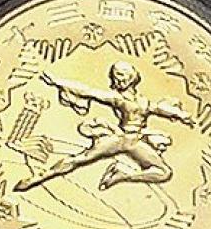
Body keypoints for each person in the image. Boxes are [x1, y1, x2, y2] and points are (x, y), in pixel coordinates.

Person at [13, 60, 193, 193]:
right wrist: (58, 82)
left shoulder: (143, 101)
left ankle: (123, 175)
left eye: (121, 76)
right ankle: (39, 177)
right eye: (116, 77)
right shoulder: (117, 98)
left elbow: (159, 108)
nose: (117, 80)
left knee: (164, 172)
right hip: (118, 139)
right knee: (79, 159)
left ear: (131, 78)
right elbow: (89, 91)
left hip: (135, 142)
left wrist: (181, 114)